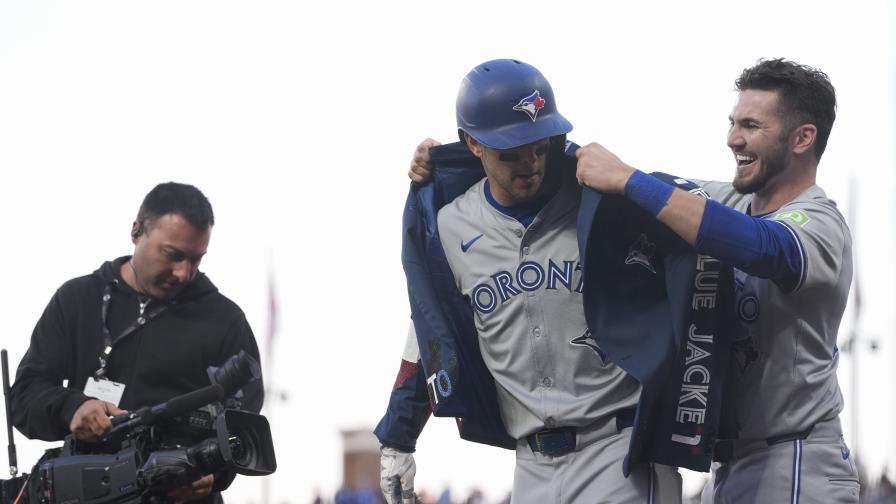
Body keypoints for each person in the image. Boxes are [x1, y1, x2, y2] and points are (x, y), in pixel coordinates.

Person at [374, 59, 684, 504]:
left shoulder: (600, 200)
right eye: (511, 153)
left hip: (618, 449)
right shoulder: (451, 224)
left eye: (539, 147)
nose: (530, 164)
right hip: (530, 464)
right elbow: (432, 326)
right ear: (472, 144)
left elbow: (698, 211)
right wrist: (398, 434)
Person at [575, 58, 860, 502]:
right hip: (728, 466)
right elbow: (625, 182)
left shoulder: (821, 224)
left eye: (751, 124)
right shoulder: (730, 201)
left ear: (803, 137)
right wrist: (474, 152)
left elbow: (762, 245)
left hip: (797, 460)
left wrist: (629, 180)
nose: (733, 138)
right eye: (732, 122)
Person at [10, 182, 264, 503]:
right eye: (173, 255)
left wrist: (216, 474)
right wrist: (71, 407)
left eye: (196, 259)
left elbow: (245, 419)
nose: (184, 273)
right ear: (136, 232)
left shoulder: (225, 320)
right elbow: (24, 395)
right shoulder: (77, 300)